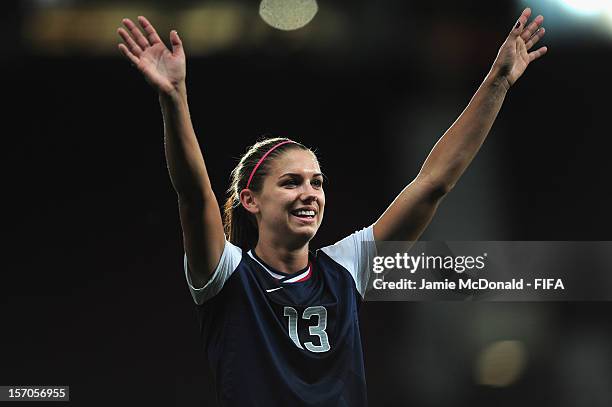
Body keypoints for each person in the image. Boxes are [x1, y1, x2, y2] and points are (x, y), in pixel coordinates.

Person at [117, 8, 547, 406]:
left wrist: (498, 82)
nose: (309, 192)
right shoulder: (227, 276)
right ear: (250, 200)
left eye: (316, 182)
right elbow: (194, 195)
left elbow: (433, 183)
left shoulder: (344, 268)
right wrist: (174, 98)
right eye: (290, 182)